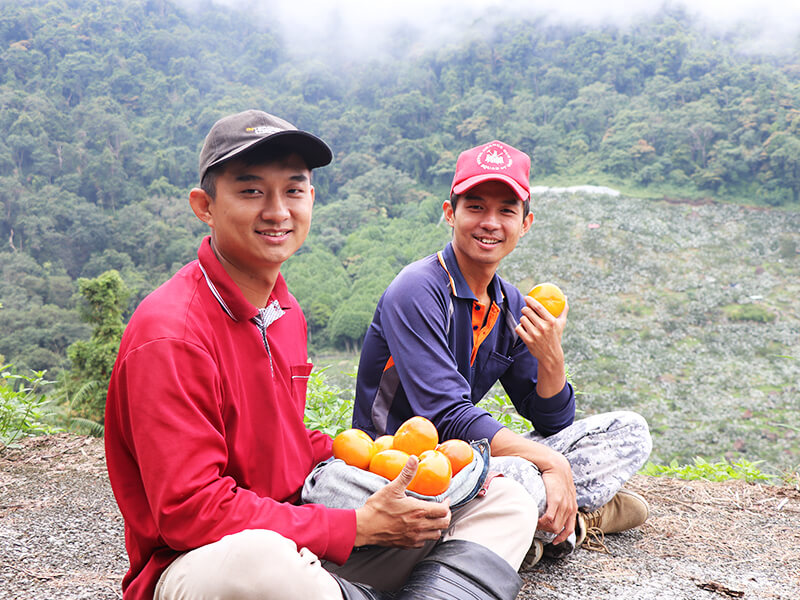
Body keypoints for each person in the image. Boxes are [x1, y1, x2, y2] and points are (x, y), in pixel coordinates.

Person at [104, 111, 538, 600]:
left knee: (501, 497)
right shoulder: (171, 334)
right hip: (208, 561)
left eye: (293, 190)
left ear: (311, 198)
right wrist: (352, 526)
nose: (276, 211)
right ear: (205, 205)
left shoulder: (282, 310)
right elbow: (189, 513)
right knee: (258, 562)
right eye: (250, 191)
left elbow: (285, 442)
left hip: (304, 540)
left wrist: (393, 465)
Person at [353, 139, 653, 563]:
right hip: (401, 464)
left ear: (525, 223)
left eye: (506, 210)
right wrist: (553, 465)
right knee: (519, 478)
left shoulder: (511, 305)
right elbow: (446, 415)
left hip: (465, 457)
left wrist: (551, 357)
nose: (490, 222)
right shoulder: (418, 289)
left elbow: (551, 420)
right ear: (449, 213)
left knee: (630, 431)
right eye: (475, 207)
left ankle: (553, 520)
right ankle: (571, 517)